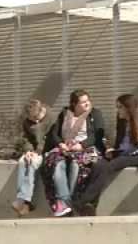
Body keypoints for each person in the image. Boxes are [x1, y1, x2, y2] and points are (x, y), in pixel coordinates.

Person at [71, 94, 138, 212]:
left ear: (128, 108)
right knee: (98, 164)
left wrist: (117, 154)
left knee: (110, 165)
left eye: (120, 107)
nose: (117, 110)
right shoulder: (122, 122)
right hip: (122, 154)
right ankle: (91, 205)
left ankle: (82, 200)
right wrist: (113, 151)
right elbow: (120, 144)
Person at [42, 89, 107, 217]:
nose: (87, 104)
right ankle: (65, 202)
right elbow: (54, 133)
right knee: (56, 162)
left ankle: (69, 203)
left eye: (88, 101)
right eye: (83, 102)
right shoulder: (65, 114)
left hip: (84, 148)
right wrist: (61, 144)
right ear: (74, 104)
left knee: (75, 163)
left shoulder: (94, 114)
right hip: (65, 147)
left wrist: (81, 145)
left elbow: (97, 136)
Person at [9, 98, 50, 217]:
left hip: (46, 150)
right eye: (31, 119)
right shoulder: (27, 121)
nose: (34, 120)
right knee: (23, 162)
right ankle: (23, 200)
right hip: (34, 150)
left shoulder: (50, 118)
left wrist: (38, 151)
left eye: (36, 117)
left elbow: (50, 137)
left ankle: (24, 201)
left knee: (32, 163)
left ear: (41, 110)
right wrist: (28, 150)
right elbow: (27, 138)